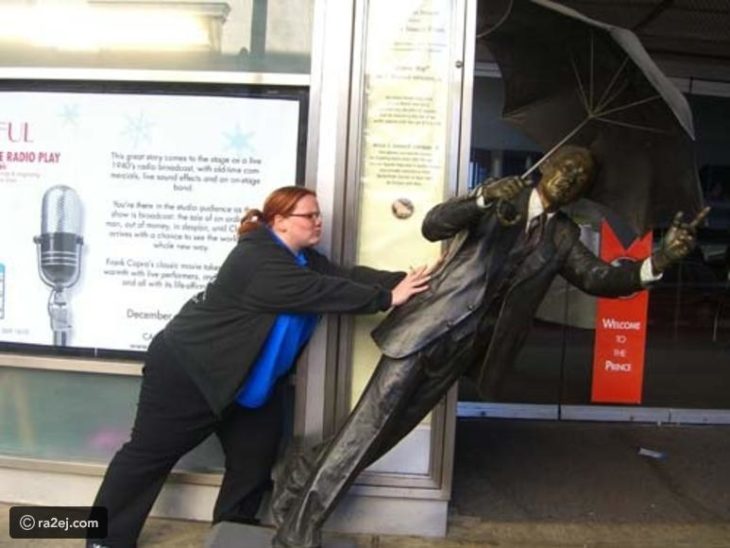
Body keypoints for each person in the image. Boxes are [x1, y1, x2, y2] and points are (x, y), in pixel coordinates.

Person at [271, 146, 710, 548]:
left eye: (580, 176)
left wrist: (660, 261)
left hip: (466, 348)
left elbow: (598, 277)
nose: (570, 176)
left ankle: (300, 471)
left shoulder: (562, 236)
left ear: (582, 191)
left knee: (385, 432)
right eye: (566, 167)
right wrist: (481, 199)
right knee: (367, 428)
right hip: (426, 329)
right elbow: (432, 225)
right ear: (548, 168)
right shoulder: (503, 197)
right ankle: (298, 531)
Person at [87, 186, 430, 548]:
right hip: (191, 373)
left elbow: (344, 277)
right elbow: (317, 291)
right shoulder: (255, 259)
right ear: (280, 222)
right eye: (309, 216)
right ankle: (103, 539)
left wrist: (409, 282)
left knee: (253, 461)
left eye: (319, 215)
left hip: (250, 383)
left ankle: (231, 533)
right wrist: (387, 298)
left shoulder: (304, 259)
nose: (318, 222)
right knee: (148, 456)